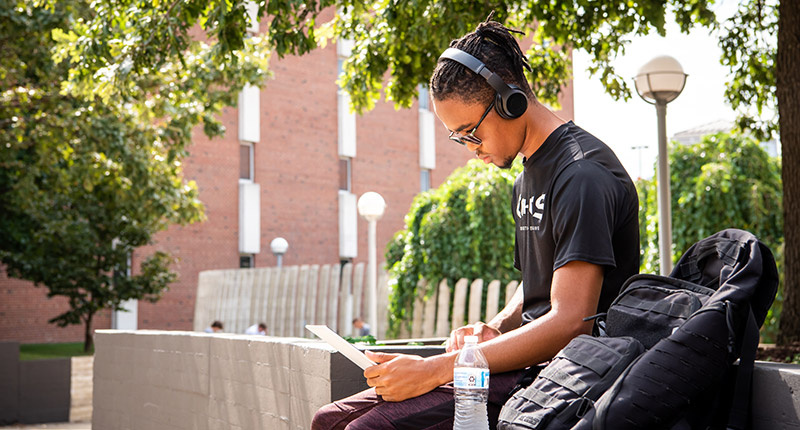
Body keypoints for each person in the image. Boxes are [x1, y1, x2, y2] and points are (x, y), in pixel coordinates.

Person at [312, 16, 639, 430]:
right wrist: (497, 326)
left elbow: (571, 319)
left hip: (564, 376)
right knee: (329, 419)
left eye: (471, 133)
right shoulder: (527, 176)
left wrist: (437, 369)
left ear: (511, 100)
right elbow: (541, 282)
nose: (472, 150)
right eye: (458, 138)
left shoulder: (582, 176)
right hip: (521, 367)